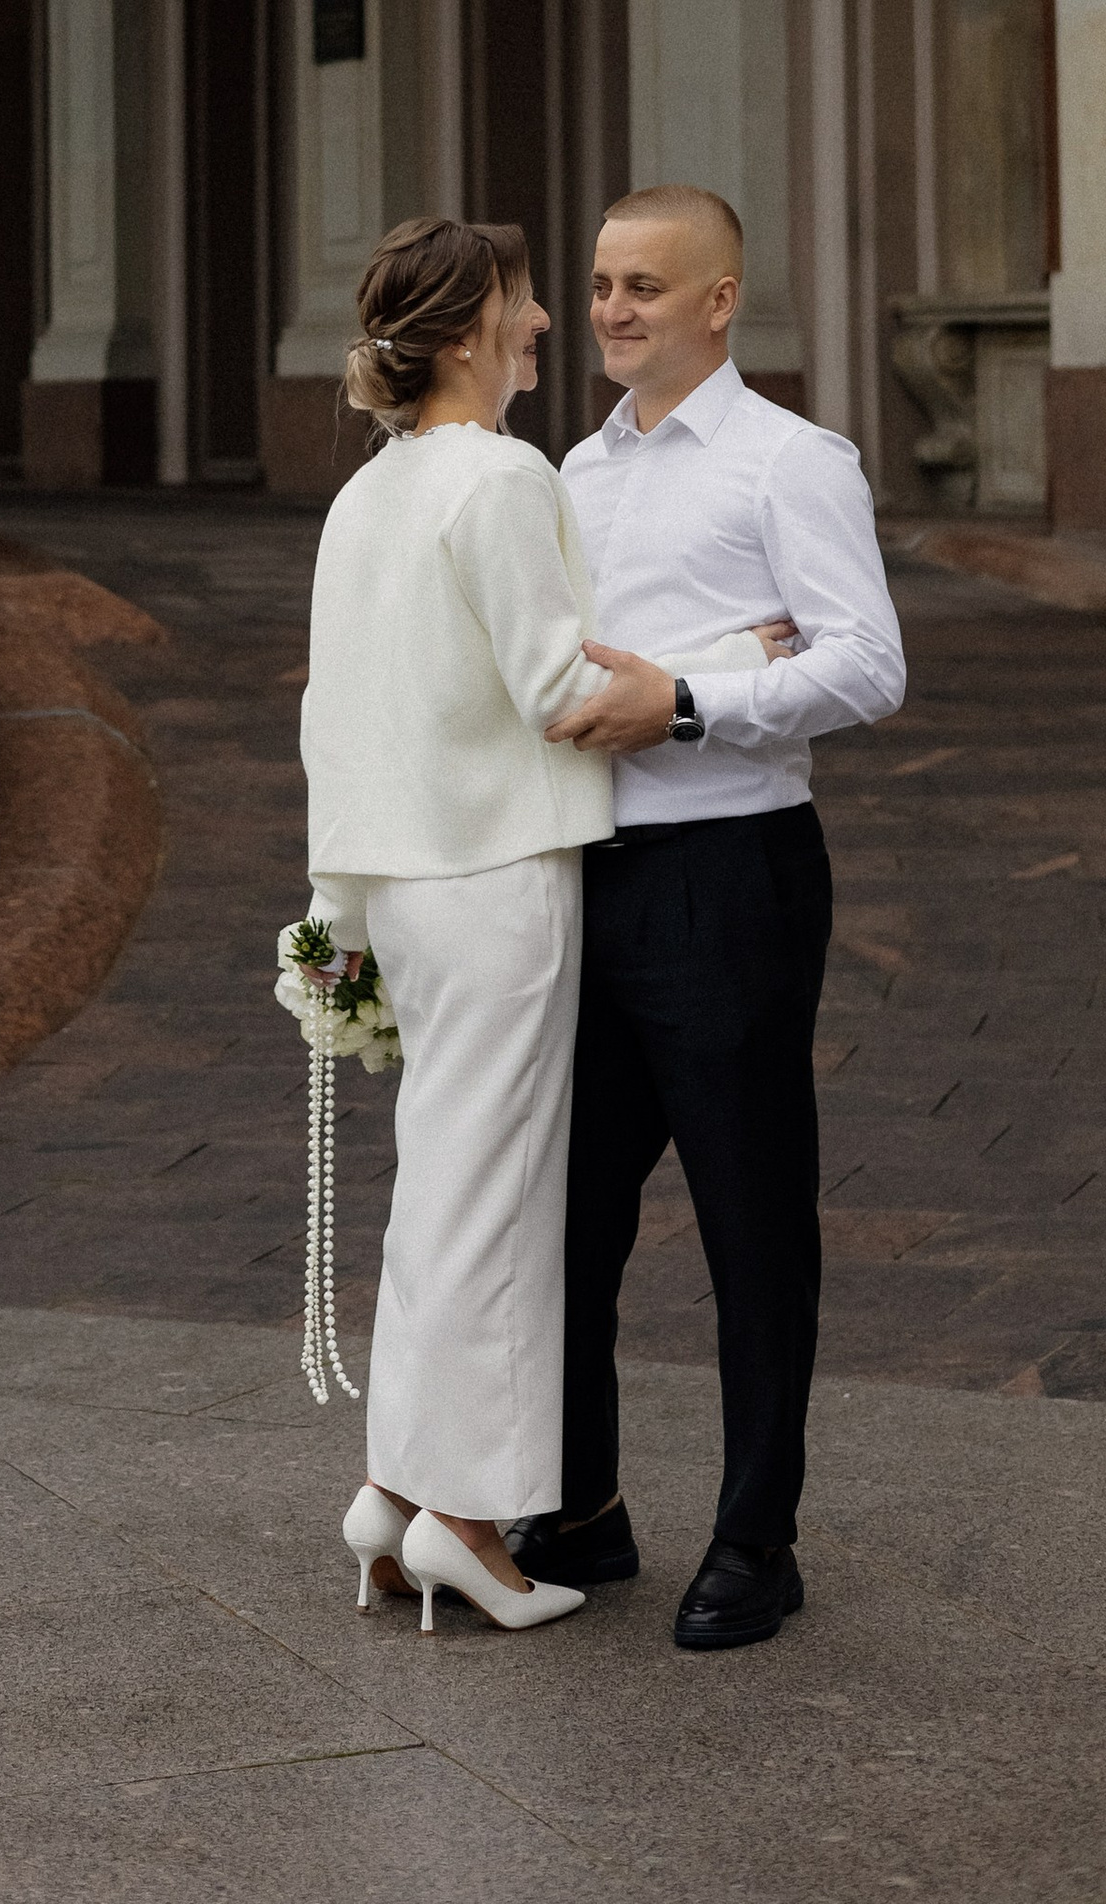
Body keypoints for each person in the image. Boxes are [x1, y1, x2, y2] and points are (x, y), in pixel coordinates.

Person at [302, 214, 782, 1636]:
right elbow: (563, 692)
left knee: (439, 1188)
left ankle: (394, 1495)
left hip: (401, 885)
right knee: (499, 1204)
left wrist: (334, 917)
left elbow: (332, 720)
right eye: (522, 302)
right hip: (500, 879)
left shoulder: (366, 493)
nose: (545, 322)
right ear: (466, 334)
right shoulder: (503, 476)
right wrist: (727, 660)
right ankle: (462, 1519)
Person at [507, 184, 907, 1653]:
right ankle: (585, 1507)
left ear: (721, 301)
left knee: (750, 1217)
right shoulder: (574, 470)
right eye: (602, 283)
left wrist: (686, 699)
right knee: (568, 1215)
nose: (611, 310)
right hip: (590, 872)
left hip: (732, 876)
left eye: (647, 287)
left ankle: (756, 1538)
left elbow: (869, 666)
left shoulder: (790, 461)